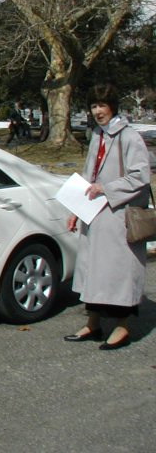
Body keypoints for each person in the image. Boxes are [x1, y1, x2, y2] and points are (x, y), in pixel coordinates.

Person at [64, 84, 150, 350]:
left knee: (117, 275)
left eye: (102, 105)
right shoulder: (97, 136)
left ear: (112, 106)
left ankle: (122, 326)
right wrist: (75, 211)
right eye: (93, 106)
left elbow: (140, 175)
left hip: (118, 216)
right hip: (96, 215)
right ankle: (93, 322)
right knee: (95, 272)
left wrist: (107, 188)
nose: (98, 111)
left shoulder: (128, 137)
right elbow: (88, 175)